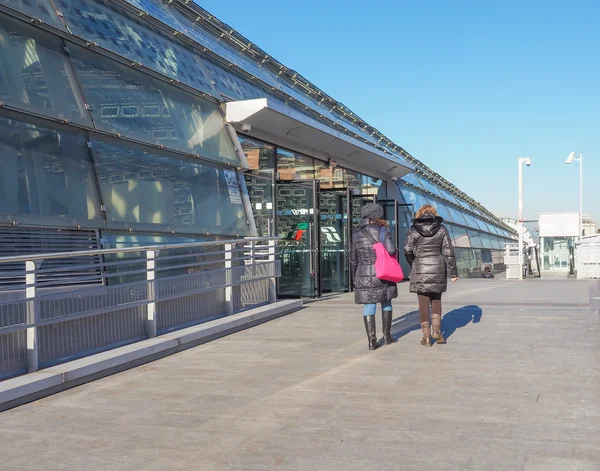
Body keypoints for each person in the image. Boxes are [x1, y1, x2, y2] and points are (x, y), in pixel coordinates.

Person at [404, 204, 458, 347]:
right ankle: (437, 331)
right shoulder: (441, 228)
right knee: (436, 300)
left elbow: (407, 249)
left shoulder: (413, 229)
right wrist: (454, 273)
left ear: (420, 214)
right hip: (437, 266)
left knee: (423, 304)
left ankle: (426, 337)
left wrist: (414, 263)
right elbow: (448, 251)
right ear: (434, 214)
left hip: (420, 267)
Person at [350, 203, 398, 351]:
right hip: (383, 273)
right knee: (386, 303)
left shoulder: (356, 233)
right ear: (379, 216)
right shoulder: (384, 231)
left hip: (363, 274)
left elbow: (353, 259)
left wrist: (354, 278)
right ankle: (387, 336)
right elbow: (391, 250)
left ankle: (372, 341)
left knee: (369, 305)